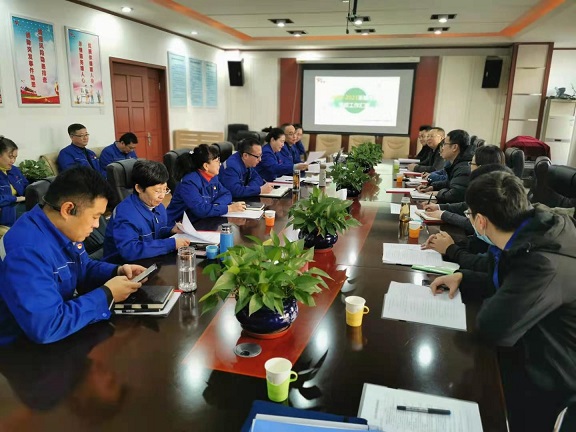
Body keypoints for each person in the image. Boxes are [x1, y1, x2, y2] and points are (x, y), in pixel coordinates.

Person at [430, 171, 576, 431]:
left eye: (469, 214)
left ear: (481, 222)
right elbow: (505, 280)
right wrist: (464, 277)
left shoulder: (542, 262)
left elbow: (493, 327)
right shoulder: (532, 230)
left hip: (548, 379)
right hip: (527, 347)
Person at [0, 167, 146, 345]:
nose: (96, 225)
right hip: (21, 348)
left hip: (63, 330)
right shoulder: (26, 250)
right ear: (68, 209)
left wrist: (116, 271)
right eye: (95, 216)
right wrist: (107, 294)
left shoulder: (63, 229)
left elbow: (83, 268)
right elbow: (47, 326)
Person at [103, 160, 189, 263]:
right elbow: (130, 250)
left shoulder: (159, 207)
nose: (162, 196)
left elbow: (155, 234)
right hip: (123, 266)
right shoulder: (125, 214)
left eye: (165, 189)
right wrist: (171, 244)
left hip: (150, 259)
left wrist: (171, 231)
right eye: (157, 191)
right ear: (139, 188)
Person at [423, 145, 505, 231]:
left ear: (480, 168)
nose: (469, 167)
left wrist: (443, 214)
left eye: (471, 163)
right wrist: (439, 207)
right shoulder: (491, 184)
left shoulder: (494, 191)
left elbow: (474, 224)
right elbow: (468, 206)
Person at [166, 144, 245, 225]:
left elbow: (226, 194)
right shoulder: (189, 183)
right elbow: (200, 210)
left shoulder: (212, 177)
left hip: (201, 221)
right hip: (177, 226)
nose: (220, 164)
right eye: (217, 161)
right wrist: (228, 208)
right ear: (206, 166)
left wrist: (216, 206)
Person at [417, 129, 471, 203]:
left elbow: (454, 195)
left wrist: (438, 193)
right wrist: (432, 187)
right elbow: (449, 183)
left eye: (445, 144)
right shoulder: (456, 163)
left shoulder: (464, 167)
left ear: (454, 147)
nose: (442, 148)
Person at [0, 136, 28, 232]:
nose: (13, 161)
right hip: (7, 212)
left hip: (21, 205)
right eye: (10, 157)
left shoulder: (14, 170)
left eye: (15, 157)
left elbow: (25, 185)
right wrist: (16, 199)